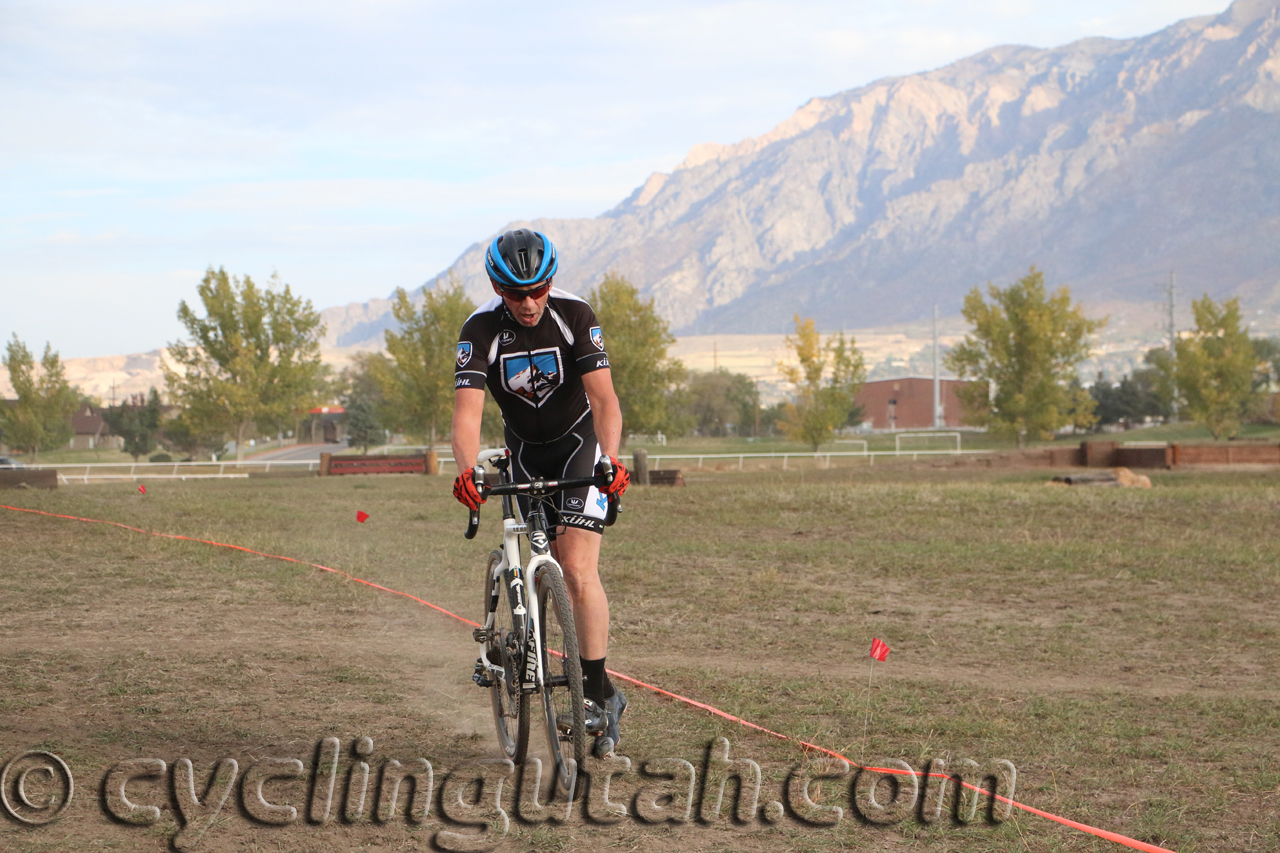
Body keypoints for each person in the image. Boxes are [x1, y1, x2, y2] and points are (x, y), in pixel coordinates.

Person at [451, 228, 630, 752]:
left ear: (551, 282)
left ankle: (597, 693)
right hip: (524, 450)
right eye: (515, 293)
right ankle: (521, 634)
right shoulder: (480, 328)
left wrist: (611, 459)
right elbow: (467, 413)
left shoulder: (574, 315)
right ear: (496, 286)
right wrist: (466, 469)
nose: (529, 304)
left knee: (576, 568)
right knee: (535, 561)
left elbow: (605, 400)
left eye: (538, 290)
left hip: (580, 443)